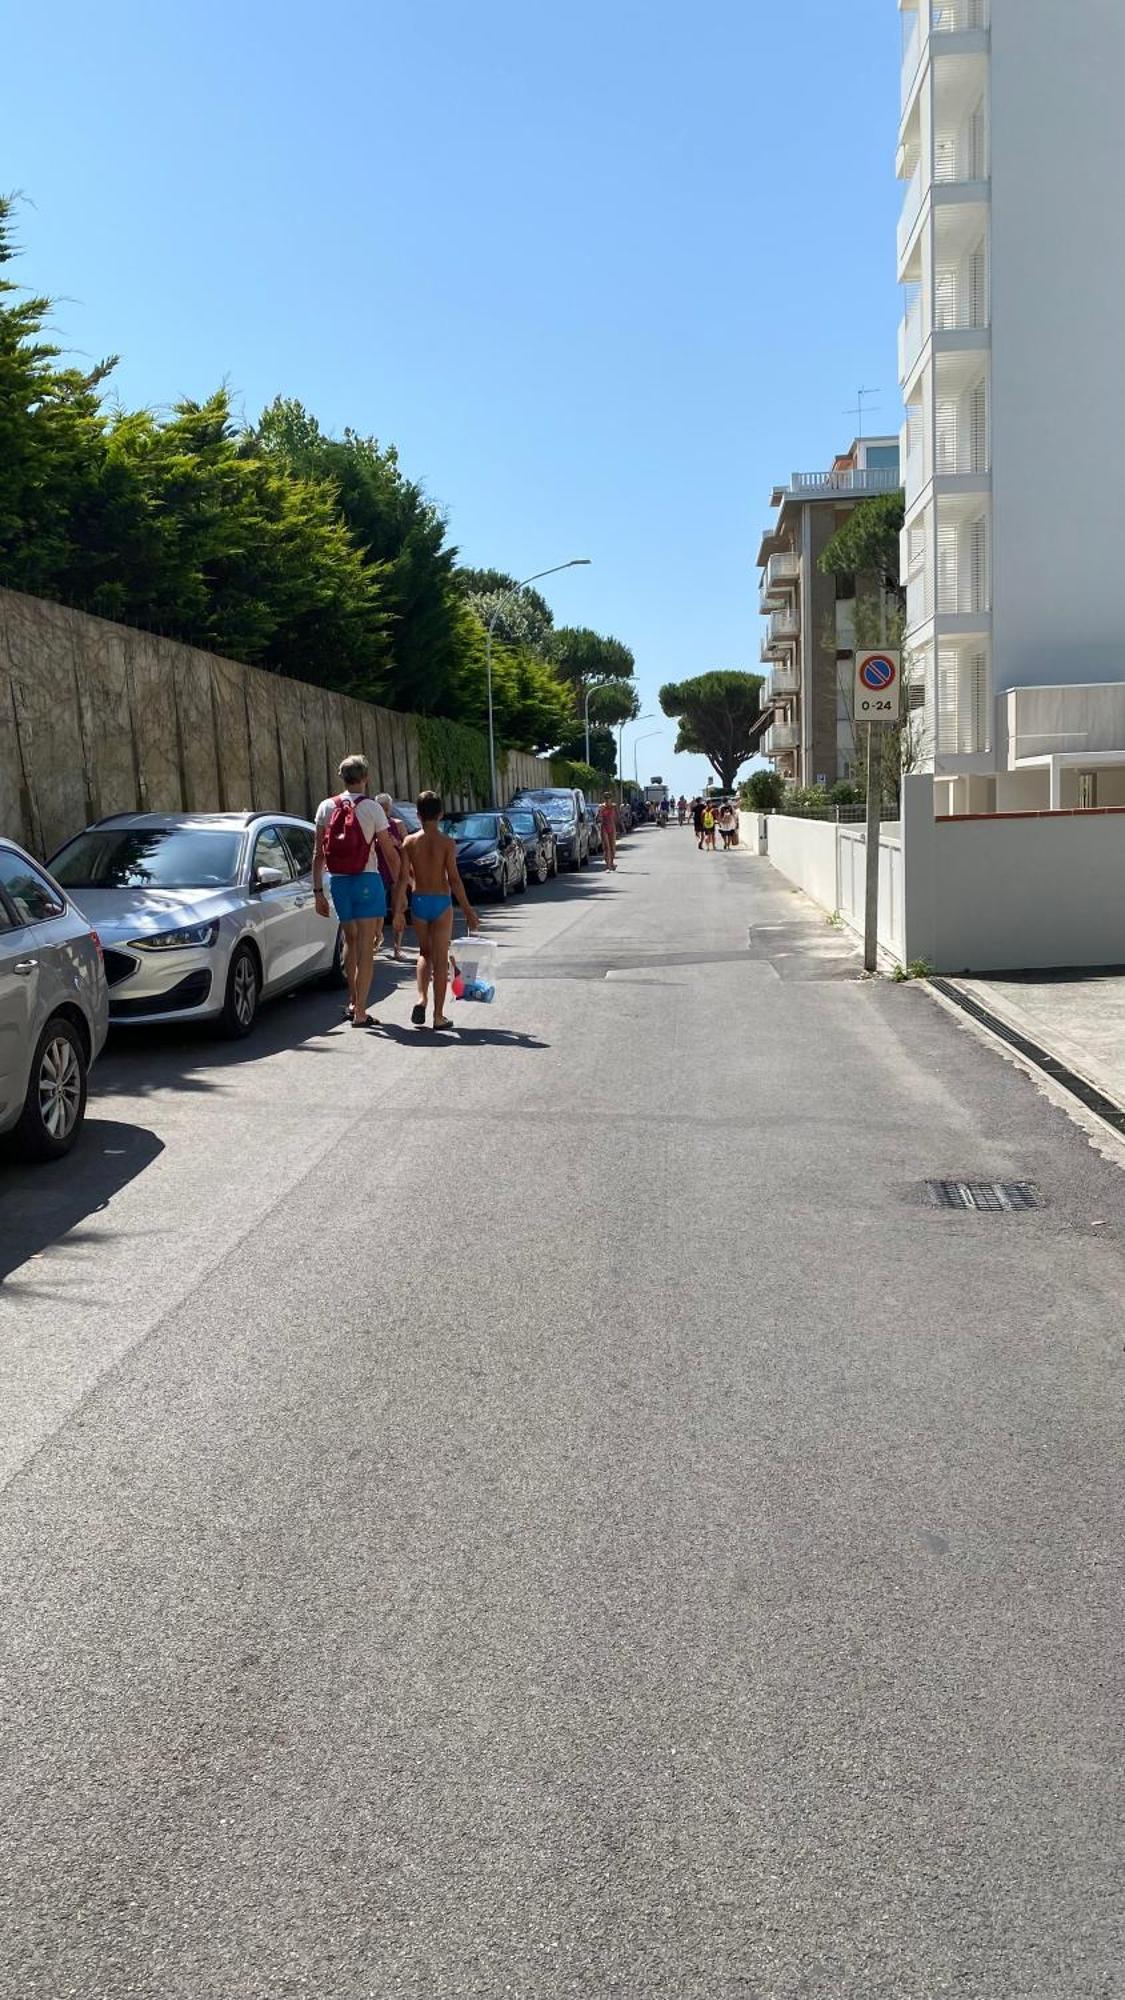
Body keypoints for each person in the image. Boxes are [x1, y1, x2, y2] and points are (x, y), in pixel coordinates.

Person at [314, 755, 401, 1028]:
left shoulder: (326, 807)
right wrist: (402, 882)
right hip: (366, 879)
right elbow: (387, 849)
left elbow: (318, 854)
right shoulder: (373, 808)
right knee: (366, 945)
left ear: (341, 777)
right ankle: (361, 1011)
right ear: (365, 778)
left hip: (338, 882)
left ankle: (351, 1001)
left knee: (350, 942)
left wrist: (317, 891)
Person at [394, 790, 478, 1030]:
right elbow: (454, 880)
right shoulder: (447, 843)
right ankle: (438, 1016)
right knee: (441, 961)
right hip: (441, 902)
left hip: (419, 901)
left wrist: (399, 910)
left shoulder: (409, 842)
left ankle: (421, 998)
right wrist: (468, 910)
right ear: (440, 814)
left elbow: (402, 879)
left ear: (418, 815)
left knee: (424, 953)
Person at [374, 792, 407, 958]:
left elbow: (408, 849)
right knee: (378, 911)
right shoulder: (372, 826)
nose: (385, 811)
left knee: (398, 909)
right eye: (381, 808)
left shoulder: (398, 824)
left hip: (396, 872)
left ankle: (397, 948)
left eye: (387, 808)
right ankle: (377, 938)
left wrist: (398, 844)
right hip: (378, 872)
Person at [597, 792, 618, 871]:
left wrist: (622, 827)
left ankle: (612, 863)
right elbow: (597, 819)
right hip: (604, 827)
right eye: (606, 798)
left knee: (613, 847)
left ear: (611, 798)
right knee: (607, 847)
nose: (607, 799)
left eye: (609, 797)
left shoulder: (614, 806)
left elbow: (617, 817)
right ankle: (607, 866)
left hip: (612, 827)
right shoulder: (601, 806)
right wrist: (600, 812)